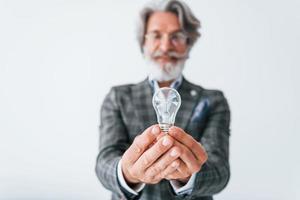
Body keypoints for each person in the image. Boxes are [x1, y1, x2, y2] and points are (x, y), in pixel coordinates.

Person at [95, 0, 231, 199]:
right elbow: (104, 163)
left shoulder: (212, 101)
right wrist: (128, 173)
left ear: (188, 44)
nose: (166, 46)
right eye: (156, 35)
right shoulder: (118, 98)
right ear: (144, 43)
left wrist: (188, 177)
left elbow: (220, 172)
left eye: (176, 36)